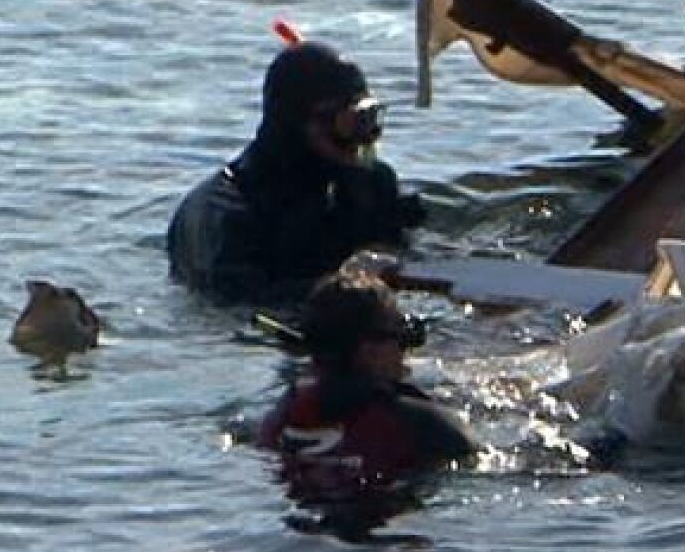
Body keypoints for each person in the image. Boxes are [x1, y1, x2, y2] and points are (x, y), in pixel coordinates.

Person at [167, 37, 425, 303]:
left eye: (370, 118)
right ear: (295, 124)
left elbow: (407, 252)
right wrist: (352, 283)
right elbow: (235, 303)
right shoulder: (225, 213)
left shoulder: (369, 184)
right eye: (351, 123)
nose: (366, 136)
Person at [256, 271, 476, 500]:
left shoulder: (281, 416)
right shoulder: (423, 423)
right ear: (370, 351)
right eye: (401, 339)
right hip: (384, 510)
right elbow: (472, 460)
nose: (405, 354)